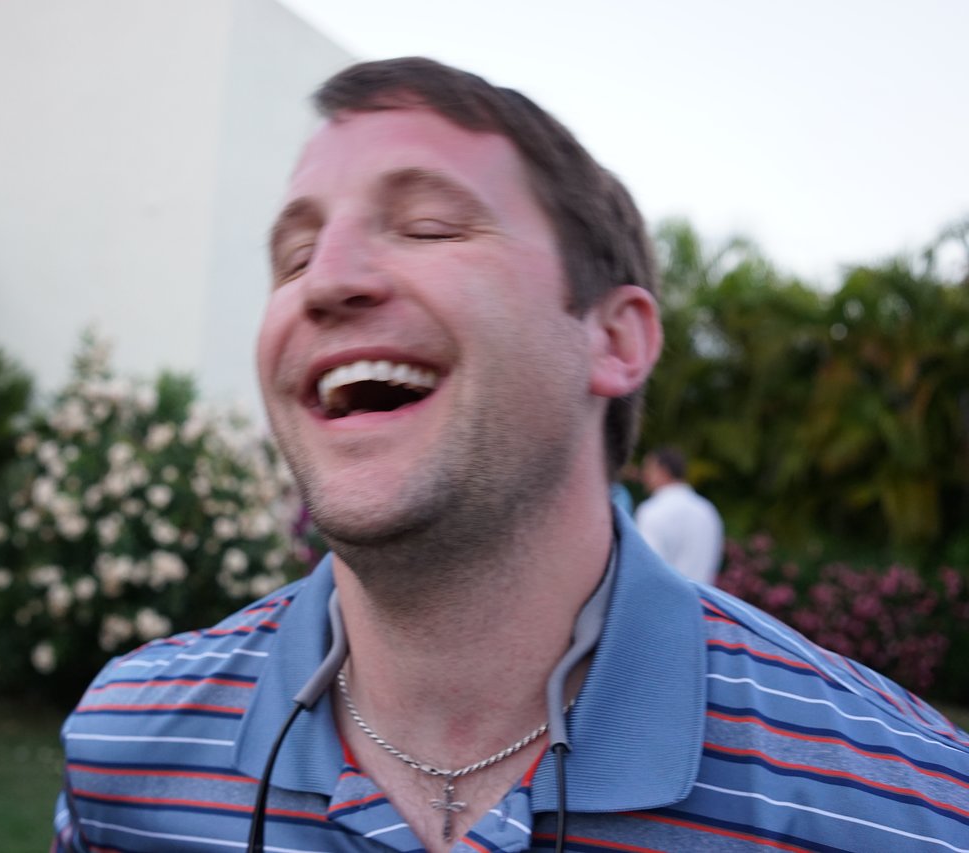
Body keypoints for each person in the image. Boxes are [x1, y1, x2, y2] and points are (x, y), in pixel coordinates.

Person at [52, 58, 968, 852]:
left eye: (430, 226)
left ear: (613, 339)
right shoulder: (130, 750)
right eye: (293, 257)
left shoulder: (909, 805)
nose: (325, 280)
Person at [633, 446, 725, 584]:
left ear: (663, 471)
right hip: (701, 602)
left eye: (648, 469)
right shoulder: (708, 511)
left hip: (662, 601)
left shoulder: (652, 510)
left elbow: (646, 567)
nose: (644, 475)